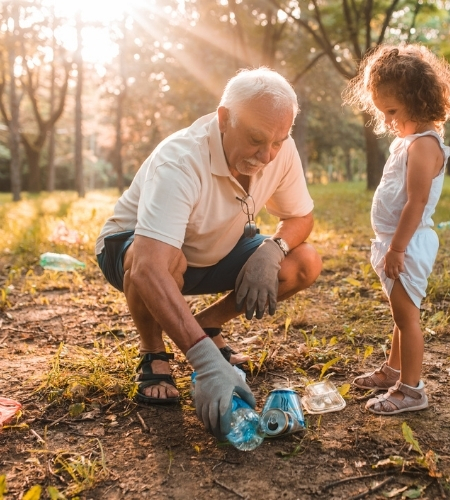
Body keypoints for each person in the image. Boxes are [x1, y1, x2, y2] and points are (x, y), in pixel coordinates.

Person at [95, 68, 322, 439]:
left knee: (304, 261)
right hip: (135, 251)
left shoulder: (279, 150)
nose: (267, 155)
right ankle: (154, 354)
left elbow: (300, 216)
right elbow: (149, 268)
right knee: (154, 259)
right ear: (224, 118)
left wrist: (272, 249)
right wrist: (206, 362)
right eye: (256, 139)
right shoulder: (180, 159)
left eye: (279, 141)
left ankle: (205, 325)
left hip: (215, 249)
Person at [343, 44, 450, 414]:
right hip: (398, 243)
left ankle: (411, 390)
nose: (390, 121)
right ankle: (393, 370)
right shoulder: (410, 142)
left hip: (407, 245)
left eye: (393, 111)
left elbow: (415, 202)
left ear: (418, 99)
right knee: (400, 313)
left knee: (406, 318)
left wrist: (396, 249)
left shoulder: (425, 146)